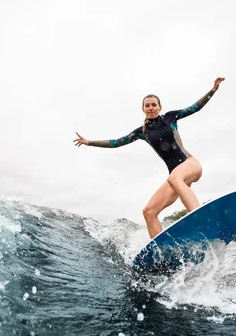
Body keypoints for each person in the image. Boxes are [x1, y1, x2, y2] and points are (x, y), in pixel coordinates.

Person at [74, 77, 225, 239]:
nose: (151, 108)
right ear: (143, 109)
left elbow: (195, 107)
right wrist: (89, 142)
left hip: (190, 164)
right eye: (148, 105)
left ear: (160, 107)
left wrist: (213, 90)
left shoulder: (170, 118)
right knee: (149, 211)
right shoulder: (142, 132)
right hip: (176, 178)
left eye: (154, 105)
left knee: (174, 178)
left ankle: (200, 218)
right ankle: (162, 251)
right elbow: (117, 142)